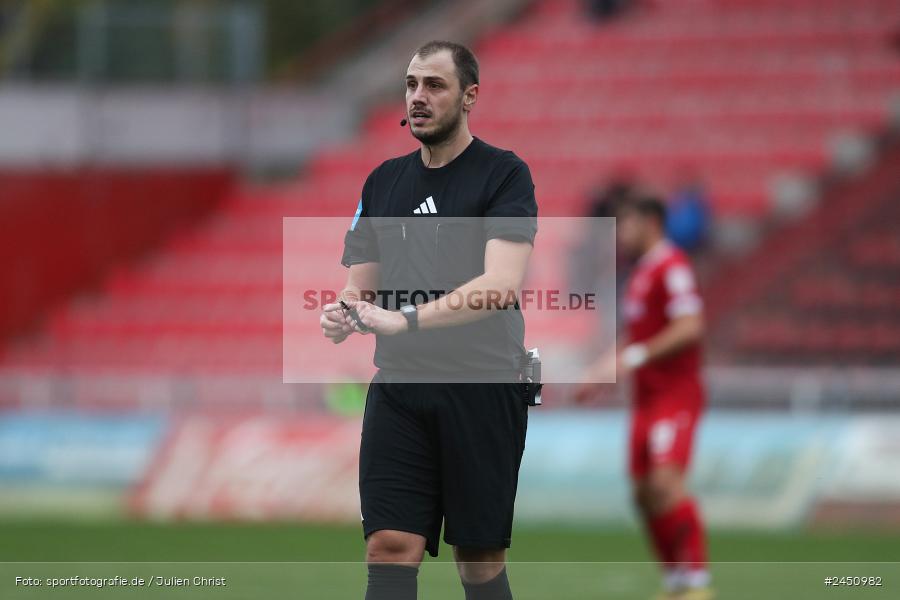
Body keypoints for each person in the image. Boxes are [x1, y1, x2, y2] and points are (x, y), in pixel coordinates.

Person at [319, 40, 538, 600]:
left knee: (479, 558)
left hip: (482, 386)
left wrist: (406, 319)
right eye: (412, 84)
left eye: (434, 86)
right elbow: (358, 286)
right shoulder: (381, 182)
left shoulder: (504, 175)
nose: (419, 96)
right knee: (389, 545)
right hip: (400, 389)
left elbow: (500, 286)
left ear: (470, 97)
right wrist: (345, 312)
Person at [576, 196, 713, 600]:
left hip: (675, 396)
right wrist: (604, 368)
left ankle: (697, 584)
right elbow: (637, 332)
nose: (621, 233)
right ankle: (675, 583)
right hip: (647, 399)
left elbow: (690, 326)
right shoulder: (642, 273)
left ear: (651, 222)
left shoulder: (673, 266)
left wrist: (631, 359)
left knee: (666, 484)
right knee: (643, 493)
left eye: (627, 223)